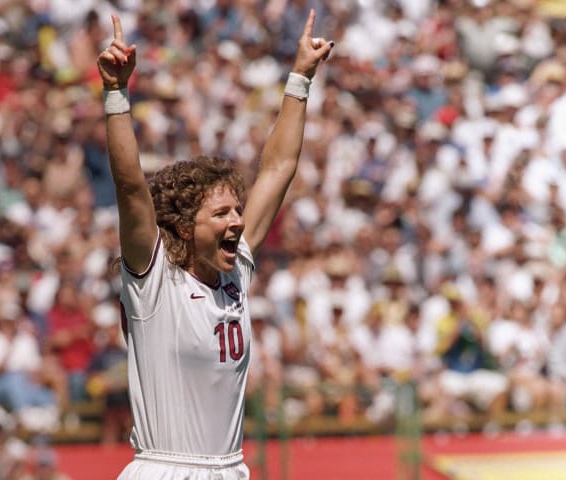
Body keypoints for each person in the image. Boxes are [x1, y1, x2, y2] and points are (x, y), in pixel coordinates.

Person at [97, 10, 333, 480]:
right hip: (165, 470)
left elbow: (278, 168)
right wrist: (116, 95)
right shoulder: (154, 278)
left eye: (236, 210)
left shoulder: (236, 272)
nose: (237, 221)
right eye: (221, 213)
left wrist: (300, 78)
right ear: (185, 226)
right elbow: (130, 190)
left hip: (229, 470)